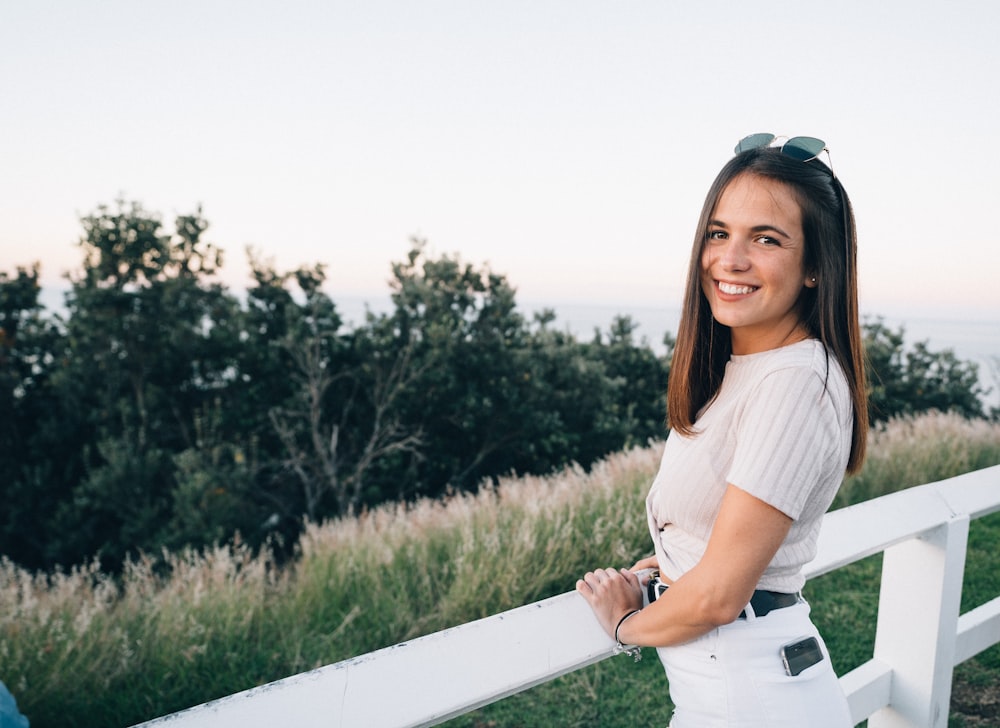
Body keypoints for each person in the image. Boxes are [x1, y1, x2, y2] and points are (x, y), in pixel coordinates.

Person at [576, 133, 868, 727]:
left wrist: (625, 625)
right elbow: (725, 538)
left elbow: (718, 596)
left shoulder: (794, 381)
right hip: (738, 688)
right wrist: (665, 563)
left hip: (750, 698)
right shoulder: (751, 370)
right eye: (719, 232)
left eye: (765, 238)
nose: (730, 260)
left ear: (815, 266)